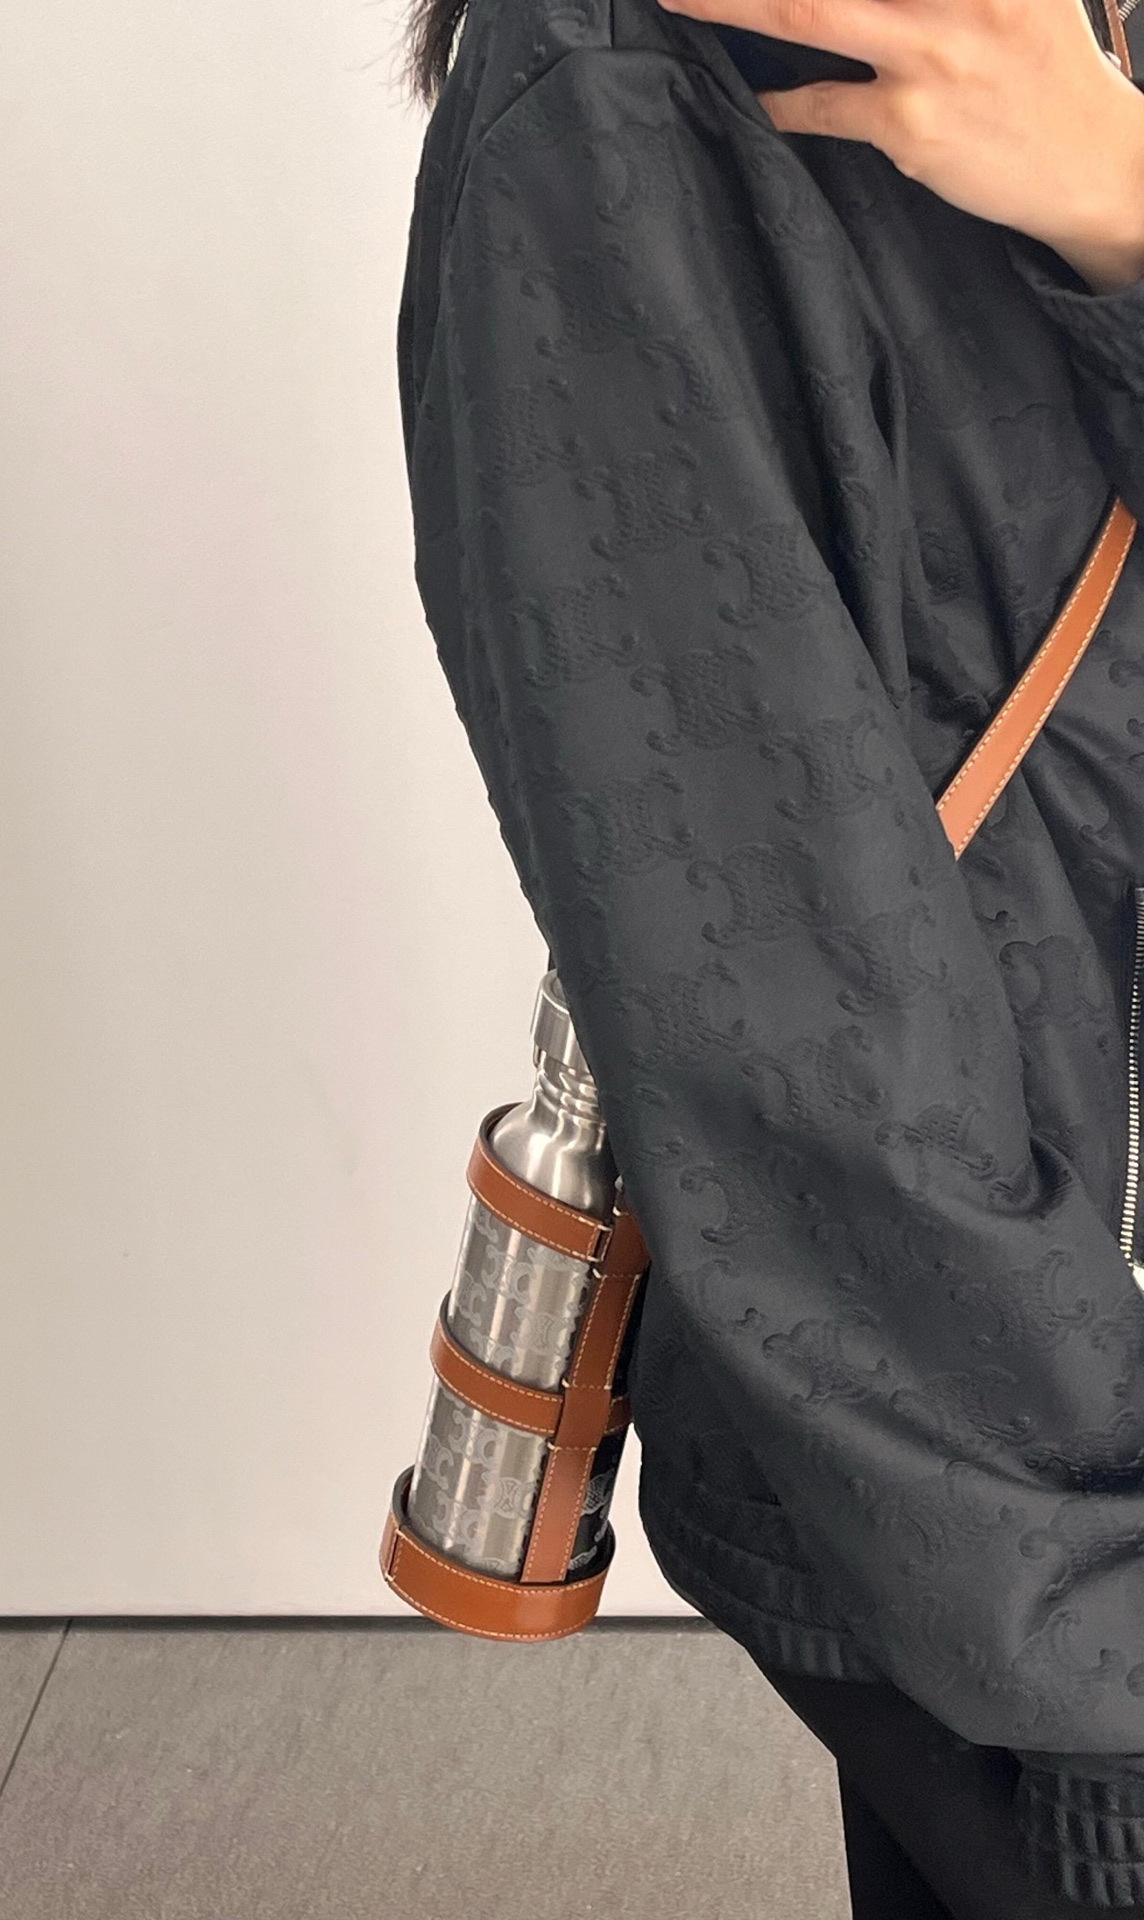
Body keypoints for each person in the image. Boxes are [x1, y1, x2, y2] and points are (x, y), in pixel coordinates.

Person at [392, 0, 1144, 1909]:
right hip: (1008, 1492)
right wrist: (1098, 1664)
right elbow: (779, 1021)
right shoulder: (622, 78)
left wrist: (1122, 204)